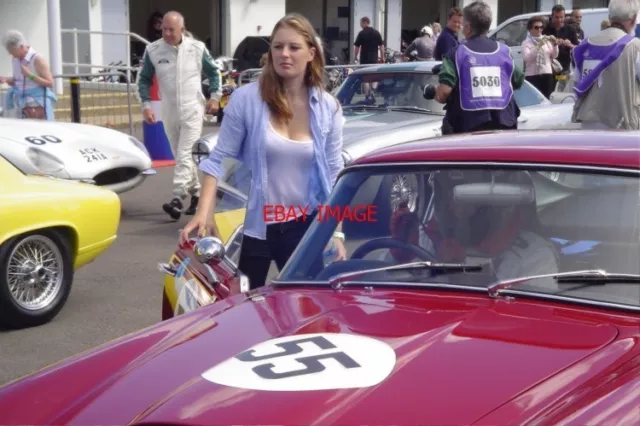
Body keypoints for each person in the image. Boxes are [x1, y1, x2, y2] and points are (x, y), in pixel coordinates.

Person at [180, 13, 347, 289]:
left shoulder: (328, 107)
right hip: (254, 225)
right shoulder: (247, 100)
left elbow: (334, 174)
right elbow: (218, 159)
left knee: (305, 305)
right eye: (277, 46)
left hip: (304, 226)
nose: (284, 54)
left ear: (311, 53)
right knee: (243, 307)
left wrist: (336, 232)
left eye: (294, 47)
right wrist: (203, 213)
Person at [387, 169, 559, 290]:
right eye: (448, 196)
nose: (453, 205)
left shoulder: (534, 254)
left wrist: (462, 271)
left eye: (467, 198)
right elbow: (385, 288)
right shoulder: (427, 237)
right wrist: (402, 255)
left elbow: (527, 320)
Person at [137, 11, 222, 220]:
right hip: (169, 111)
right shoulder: (153, 50)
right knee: (181, 155)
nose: (166, 33)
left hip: (193, 108)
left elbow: (214, 72)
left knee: (185, 153)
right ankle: (197, 195)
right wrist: (146, 105)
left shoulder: (197, 48)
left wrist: (215, 96)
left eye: (171, 30)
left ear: (182, 30)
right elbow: (143, 80)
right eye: (163, 29)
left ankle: (177, 197)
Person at [428, 1, 524, 134]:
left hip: (468, 130)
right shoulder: (504, 52)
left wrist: (435, 93)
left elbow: (444, 92)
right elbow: (518, 81)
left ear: (467, 28)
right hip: (504, 126)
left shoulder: (457, 53)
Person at [571, 0, 640, 130]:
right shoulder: (634, 46)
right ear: (634, 19)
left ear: (609, 17)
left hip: (588, 121)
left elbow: (577, 82)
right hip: (622, 123)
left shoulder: (585, 45)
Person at [1, 30, 56, 120]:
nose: (11, 55)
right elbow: (18, 81)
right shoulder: (15, 59)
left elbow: (50, 83)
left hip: (37, 104)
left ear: (21, 47)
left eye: (13, 51)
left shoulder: (38, 59)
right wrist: (6, 80)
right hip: (21, 104)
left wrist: (30, 75)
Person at [521, 16, 559, 99]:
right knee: (534, 99)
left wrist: (555, 44)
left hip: (547, 74)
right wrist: (538, 46)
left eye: (541, 27)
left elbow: (554, 55)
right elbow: (527, 59)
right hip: (532, 76)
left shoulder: (546, 40)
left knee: (547, 98)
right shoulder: (526, 43)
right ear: (530, 29)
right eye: (536, 27)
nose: (539, 30)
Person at [543, 4, 579, 88]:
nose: (559, 20)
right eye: (556, 17)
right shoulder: (545, 29)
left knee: (561, 90)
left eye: (561, 17)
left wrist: (569, 44)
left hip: (564, 67)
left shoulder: (570, 29)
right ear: (552, 16)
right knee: (549, 90)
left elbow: (577, 48)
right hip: (549, 67)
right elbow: (541, 47)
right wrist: (553, 44)